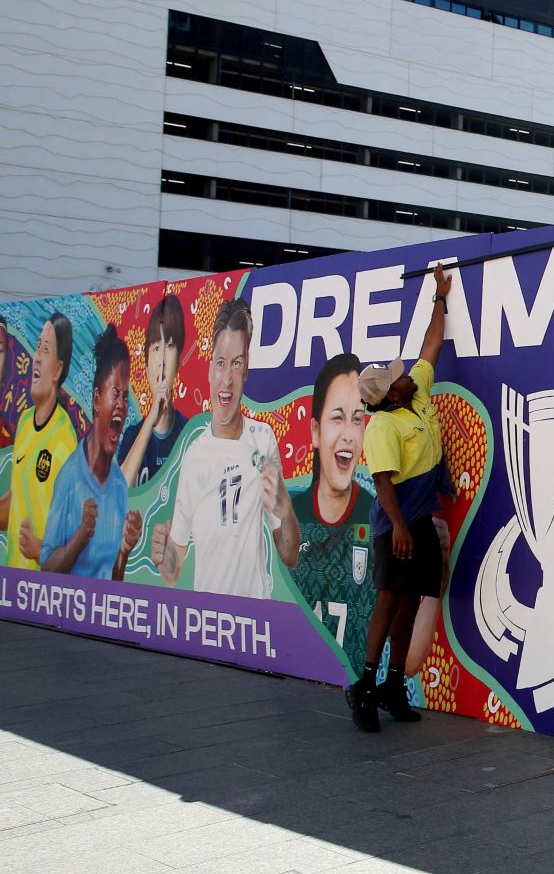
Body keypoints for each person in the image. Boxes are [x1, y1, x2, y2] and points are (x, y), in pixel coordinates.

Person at [347, 263, 452, 732]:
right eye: (397, 376)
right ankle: (363, 687)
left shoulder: (420, 394)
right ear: (389, 396)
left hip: (423, 522)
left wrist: (439, 297)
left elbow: (431, 343)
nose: (406, 372)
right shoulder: (384, 426)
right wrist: (402, 529)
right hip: (398, 527)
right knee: (389, 600)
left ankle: (392, 685)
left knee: (411, 602)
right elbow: (384, 482)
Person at [150, 299, 300, 597]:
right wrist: (161, 553)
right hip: (209, 622)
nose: (227, 379)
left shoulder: (263, 440)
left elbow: (290, 555)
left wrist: (285, 510)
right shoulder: (193, 454)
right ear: (209, 370)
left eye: (237, 363)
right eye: (221, 363)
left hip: (254, 619)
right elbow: (173, 568)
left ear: (246, 371)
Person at [289, 352, 378, 676]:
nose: (349, 433)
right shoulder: (289, 517)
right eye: (338, 417)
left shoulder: (376, 517)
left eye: (357, 419)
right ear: (315, 431)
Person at [41, 328, 141, 580]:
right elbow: (46, 570)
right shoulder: (70, 478)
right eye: (115, 393)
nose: (121, 404)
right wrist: (80, 537)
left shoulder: (118, 484)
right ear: (97, 399)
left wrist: (124, 551)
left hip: (97, 620)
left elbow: (113, 582)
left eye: (126, 397)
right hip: (65, 617)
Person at [3, 311, 77, 571]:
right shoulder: (24, 423)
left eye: (45, 350)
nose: (36, 359)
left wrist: (39, 550)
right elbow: (17, 499)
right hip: (12, 588)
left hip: (41, 591)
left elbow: (73, 538)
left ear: (58, 369)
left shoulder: (64, 440)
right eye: (37, 348)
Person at [119, 293, 188, 488]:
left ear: (180, 360)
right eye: (156, 348)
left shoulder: (190, 434)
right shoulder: (133, 436)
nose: (162, 360)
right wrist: (151, 421)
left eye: (170, 346)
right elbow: (121, 490)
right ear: (147, 361)